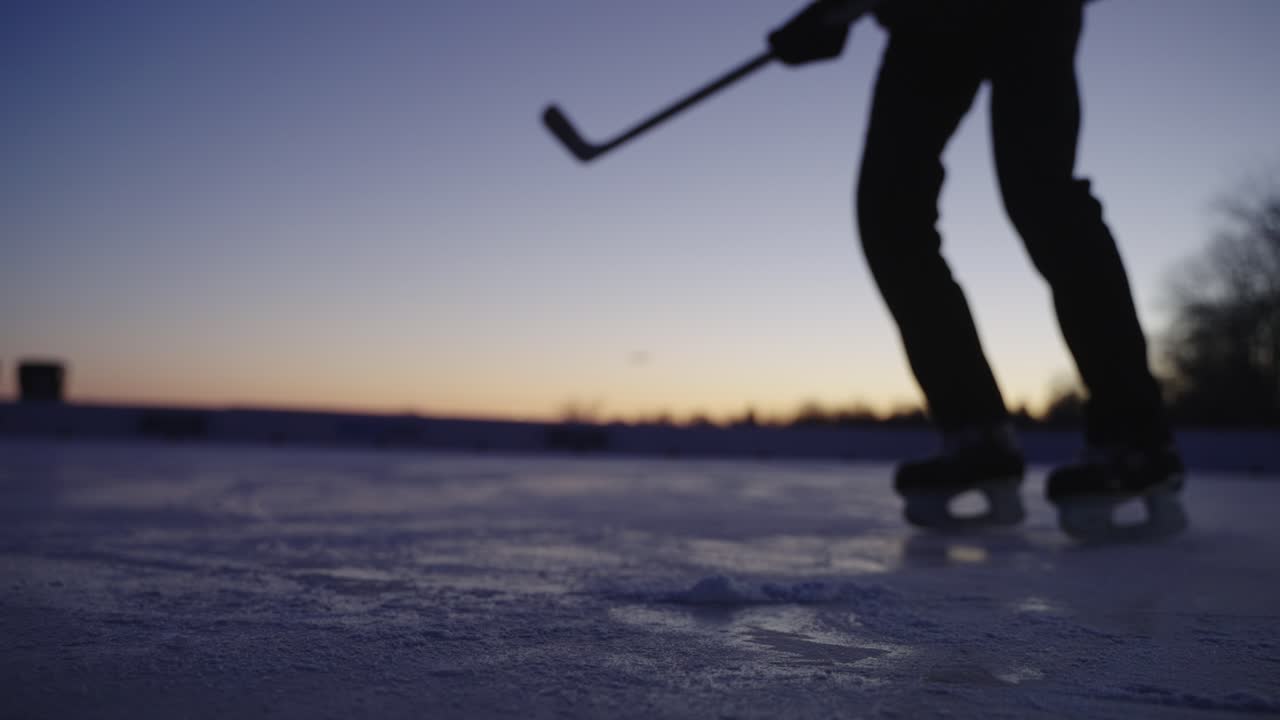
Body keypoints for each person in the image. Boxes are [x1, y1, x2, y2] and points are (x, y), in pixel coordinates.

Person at [767, 0, 1187, 541]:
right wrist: (828, 15)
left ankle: (1137, 438)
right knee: (889, 214)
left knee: (1041, 196)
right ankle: (975, 436)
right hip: (923, 28)